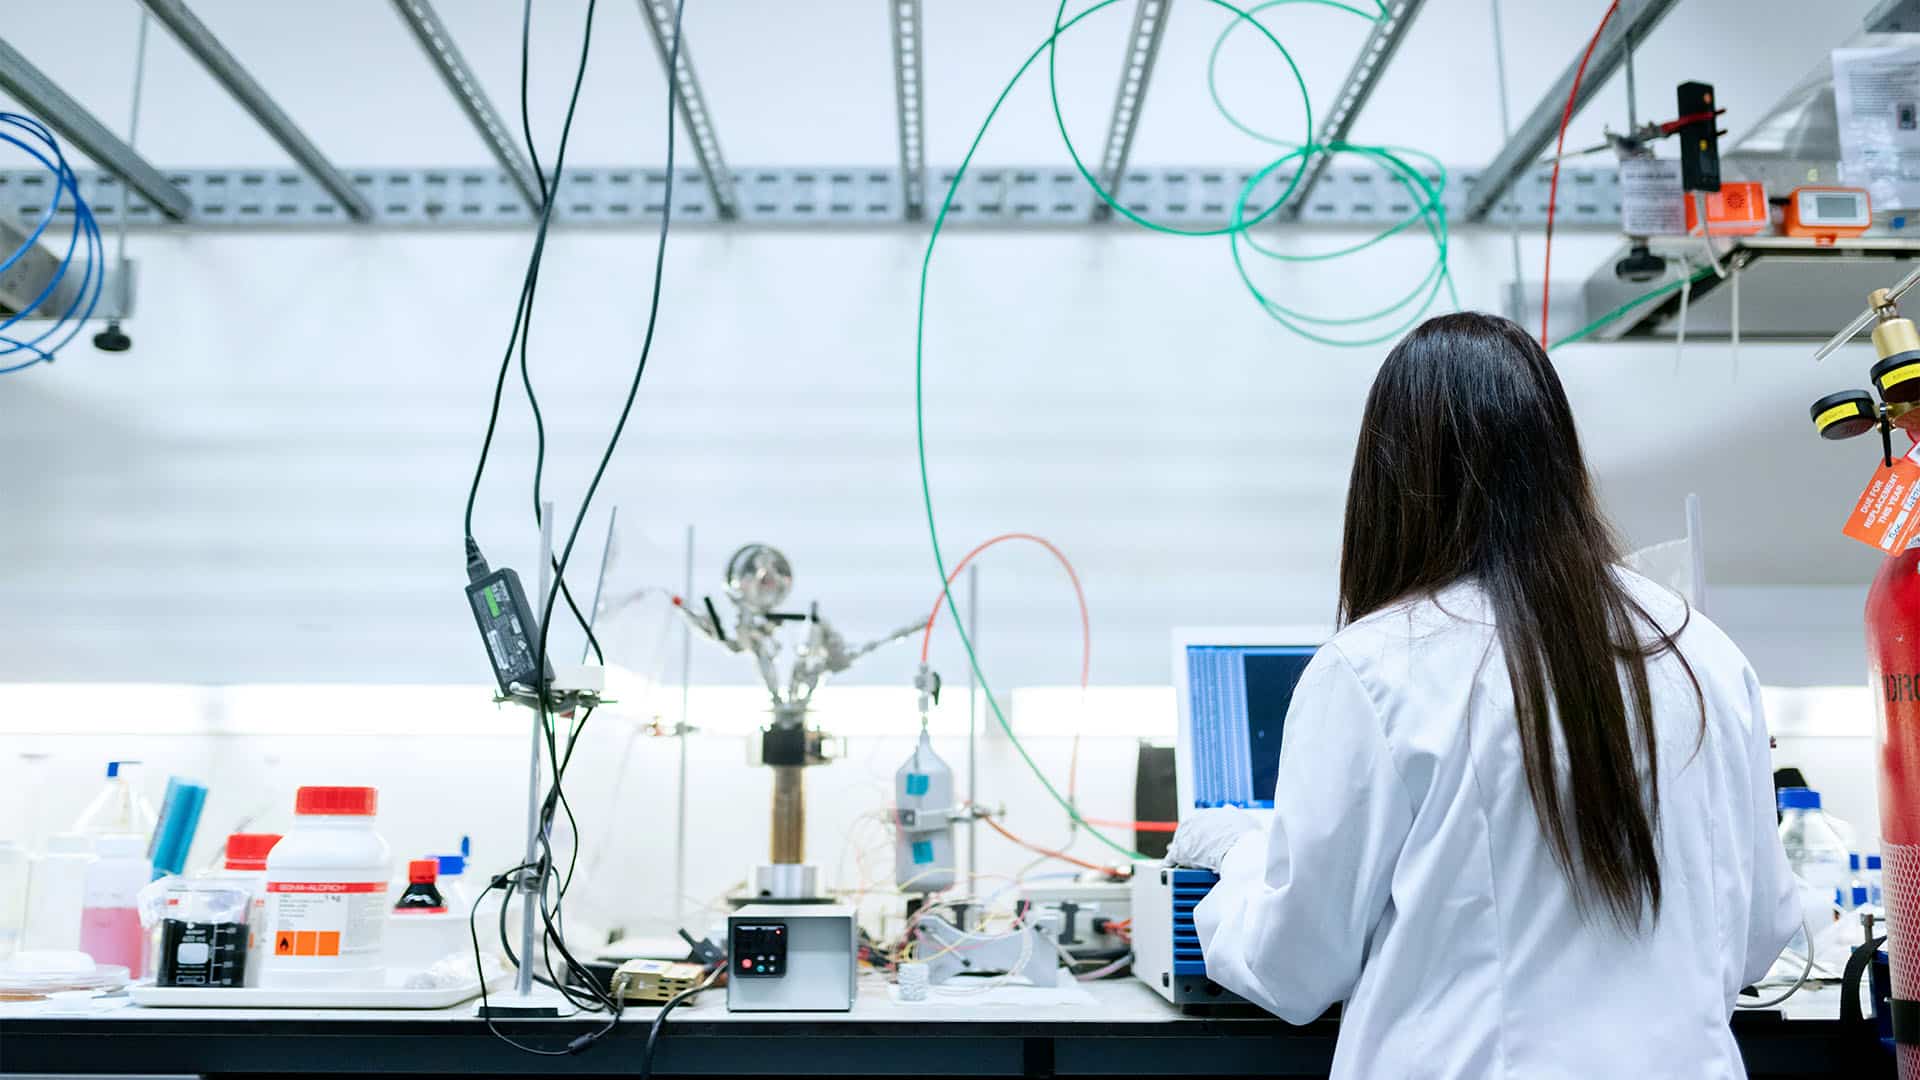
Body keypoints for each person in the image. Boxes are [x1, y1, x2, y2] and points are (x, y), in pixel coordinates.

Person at [1170, 313, 1800, 1079]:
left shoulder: (1377, 667)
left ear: (1390, 478)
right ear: (1559, 457)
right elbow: (1761, 932)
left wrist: (1239, 858)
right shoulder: (1698, 649)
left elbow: (1295, 965)